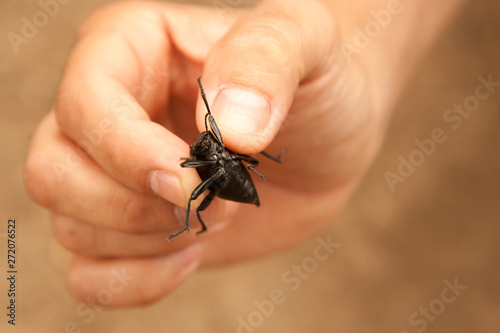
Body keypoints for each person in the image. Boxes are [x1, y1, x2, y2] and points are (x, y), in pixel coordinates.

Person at [24, 0, 467, 306]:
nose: (202, 143)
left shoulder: (210, 148)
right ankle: (191, 224)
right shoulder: (206, 153)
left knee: (194, 190)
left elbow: (205, 145)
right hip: (232, 180)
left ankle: (192, 224)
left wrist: (202, 102)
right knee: (188, 194)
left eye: (205, 143)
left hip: (233, 179)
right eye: (203, 146)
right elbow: (194, 155)